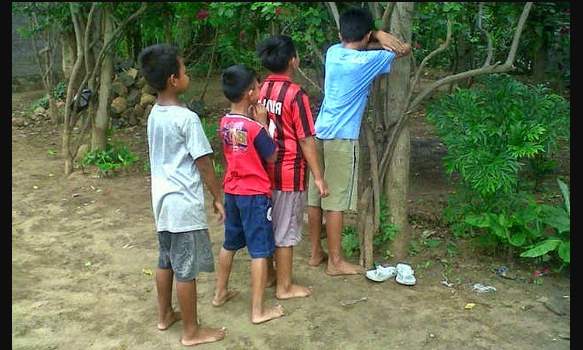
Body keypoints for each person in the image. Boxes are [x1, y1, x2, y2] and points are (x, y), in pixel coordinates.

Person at [307, 8, 411, 275]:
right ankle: (335, 262)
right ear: (367, 36)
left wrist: (369, 35)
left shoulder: (333, 53)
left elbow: (359, 43)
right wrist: (379, 34)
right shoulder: (369, 62)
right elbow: (402, 50)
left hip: (319, 133)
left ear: (341, 33)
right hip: (342, 140)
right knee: (336, 202)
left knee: (316, 197)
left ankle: (316, 254)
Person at [139, 44, 226, 346]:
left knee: (166, 260)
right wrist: (218, 195)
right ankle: (192, 331)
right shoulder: (186, 118)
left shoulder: (155, 113)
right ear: (174, 80)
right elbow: (204, 162)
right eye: (185, 70)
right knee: (186, 269)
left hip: (162, 202)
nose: (187, 74)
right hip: (183, 204)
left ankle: (165, 316)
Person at [256, 35, 329, 299]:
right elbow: (306, 140)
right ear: (292, 61)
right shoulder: (296, 94)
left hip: (263, 172)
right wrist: (319, 177)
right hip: (289, 172)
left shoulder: (260, 89)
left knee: (269, 225)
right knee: (285, 231)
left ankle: (271, 277)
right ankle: (284, 287)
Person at [212, 64, 285, 324]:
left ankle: (219, 293)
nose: (259, 90)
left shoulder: (224, 122)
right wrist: (264, 124)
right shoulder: (254, 128)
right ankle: (258, 311)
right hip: (254, 194)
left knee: (229, 244)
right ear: (249, 93)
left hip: (232, 190)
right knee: (259, 251)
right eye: (257, 86)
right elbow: (272, 155)